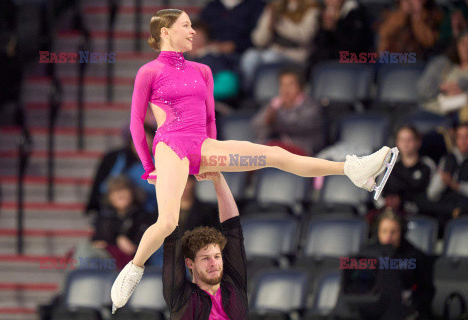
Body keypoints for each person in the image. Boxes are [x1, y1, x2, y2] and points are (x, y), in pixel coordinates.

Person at [110, 8, 398, 313]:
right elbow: (135, 125)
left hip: (202, 144)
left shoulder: (202, 70)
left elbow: (209, 119)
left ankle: (352, 169)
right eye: (186, 26)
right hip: (169, 145)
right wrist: (149, 168)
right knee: (168, 221)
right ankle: (134, 268)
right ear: (166, 32)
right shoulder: (149, 72)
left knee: (273, 155)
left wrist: (212, 158)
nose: (193, 31)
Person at [163, 172, 246, 319]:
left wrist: (218, 179)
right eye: (205, 258)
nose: (214, 263)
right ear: (190, 263)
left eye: (217, 256)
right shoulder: (182, 298)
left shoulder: (234, 286)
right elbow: (171, 242)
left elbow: (233, 228)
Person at [361, 211, 435, 320]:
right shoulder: (366, 254)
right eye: (384, 231)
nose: (388, 237)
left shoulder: (416, 257)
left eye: (393, 232)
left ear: (402, 232)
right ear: (378, 232)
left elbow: (426, 291)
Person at [240, 0, 320, 91]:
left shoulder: (311, 7)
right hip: (273, 51)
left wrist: (280, 24)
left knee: (270, 57)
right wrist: (269, 26)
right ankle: (252, 91)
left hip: (296, 55)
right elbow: (258, 41)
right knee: (250, 56)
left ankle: (272, 92)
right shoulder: (274, 6)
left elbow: (306, 35)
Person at [251, 67, 324, 155]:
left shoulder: (311, 106)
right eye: (282, 85)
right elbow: (256, 124)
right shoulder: (275, 104)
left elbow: (296, 125)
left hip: (303, 151)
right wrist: (269, 115)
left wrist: (276, 118)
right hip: (278, 149)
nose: (286, 89)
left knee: (271, 150)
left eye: (290, 84)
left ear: (300, 87)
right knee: (251, 154)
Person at [417, 30, 468, 117]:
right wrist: (441, 88)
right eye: (463, 43)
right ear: (457, 45)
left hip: (459, 116)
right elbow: (422, 90)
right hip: (431, 110)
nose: (466, 48)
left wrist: (460, 86)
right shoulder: (444, 65)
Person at [377, 0, 443, 60]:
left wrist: (417, 15)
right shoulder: (391, 11)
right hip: (388, 59)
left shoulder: (433, 15)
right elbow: (384, 33)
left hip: (415, 61)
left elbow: (429, 41)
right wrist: (403, 12)